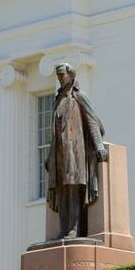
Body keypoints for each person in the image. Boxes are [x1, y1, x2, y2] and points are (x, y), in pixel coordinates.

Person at [44, 63, 107, 239]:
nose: (60, 78)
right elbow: (55, 132)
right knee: (61, 191)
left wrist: (99, 145)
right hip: (59, 152)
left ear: (70, 75)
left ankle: (74, 229)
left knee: (73, 189)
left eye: (62, 74)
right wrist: (49, 155)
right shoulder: (58, 100)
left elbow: (92, 121)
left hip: (75, 151)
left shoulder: (79, 96)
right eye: (58, 75)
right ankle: (63, 230)